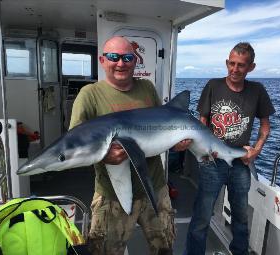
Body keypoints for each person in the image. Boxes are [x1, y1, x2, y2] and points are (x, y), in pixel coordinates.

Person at [69, 36, 190, 255]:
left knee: (164, 248)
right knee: (104, 251)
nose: (120, 63)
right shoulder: (89, 95)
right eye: (114, 57)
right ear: (103, 60)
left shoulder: (147, 87)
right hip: (111, 193)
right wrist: (105, 156)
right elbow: (75, 144)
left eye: (127, 57)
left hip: (155, 186)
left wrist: (175, 143)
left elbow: (159, 128)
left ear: (135, 60)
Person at [183, 42, 275, 255]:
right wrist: (206, 148)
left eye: (241, 65)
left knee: (241, 218)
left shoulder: (257, 91)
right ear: (226, 63)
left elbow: (265, 126)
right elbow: (202, 121)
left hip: (240, 163)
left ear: (251, 67)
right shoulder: (213, 85)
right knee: (202, 216)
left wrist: (256, 150)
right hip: (212, 161)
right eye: (231, 63)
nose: (235, 69)